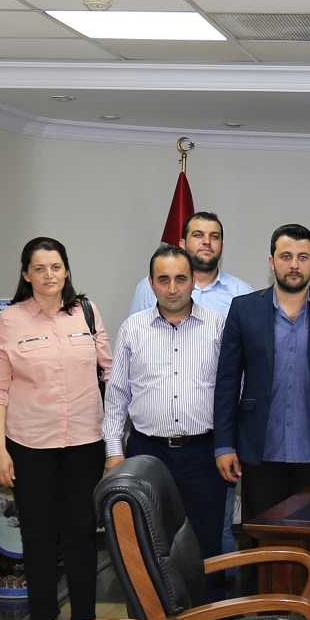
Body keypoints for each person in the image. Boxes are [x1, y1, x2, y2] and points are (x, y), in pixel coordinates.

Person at [0, 236, 111, 620]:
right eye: (39, 268)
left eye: (55, 267)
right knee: (38, 534)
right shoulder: (10, 320)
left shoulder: (87, 312)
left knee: (81, 531)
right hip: (30, 444)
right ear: (26, 274)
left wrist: (115, 442)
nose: (48, 275)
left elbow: (110, 373)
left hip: (84, 442)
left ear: (66, 271)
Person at [215, 224, 310, 540]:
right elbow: (227, 382)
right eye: (286, 256)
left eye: (302, 257)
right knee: (261, 541)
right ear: (272, 262)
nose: (294, 265)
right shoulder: (244, 309)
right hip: (259, 452)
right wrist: (224, 445)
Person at [103, 245, 227, 593]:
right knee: (146, 546)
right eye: (164, 280)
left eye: (181, 279)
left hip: (204, 456)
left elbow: (233, 392)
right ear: (151, 283)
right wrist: (114, 452)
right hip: (147, 454)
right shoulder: (133, 328)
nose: (173, 288)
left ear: (194, 281)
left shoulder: (217, 327)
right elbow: (116, 397)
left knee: (206, 546)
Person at [125, 211, 251, 319]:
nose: (207, 241)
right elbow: (135, 331)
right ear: (182, 244)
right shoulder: (149, 287)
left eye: (214, 236)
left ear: (222, 246)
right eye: (198, 235)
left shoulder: (242, 293)